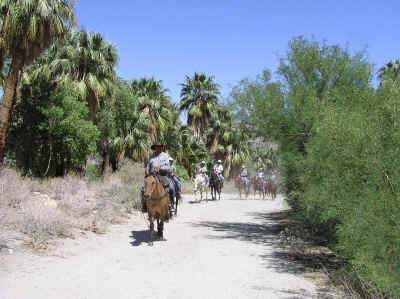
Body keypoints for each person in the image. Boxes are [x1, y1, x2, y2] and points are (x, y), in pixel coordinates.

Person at [143, 143, 176, 212]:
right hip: (152, 175)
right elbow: (148, 165)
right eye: (157, 147)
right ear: (155, 148)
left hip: (162, 175)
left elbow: (168, 166)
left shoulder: (165, 156)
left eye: (159, 147)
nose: (158, 148)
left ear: (161, 148)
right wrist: (147, 172)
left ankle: (171, 204)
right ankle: (145, 205)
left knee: (171, 188)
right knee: (143, 188)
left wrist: (160, 169)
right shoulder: (151, 156)